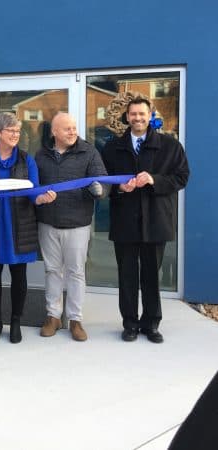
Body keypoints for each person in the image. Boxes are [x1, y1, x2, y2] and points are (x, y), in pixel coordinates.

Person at [102, 97, 189, 343]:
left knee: (151, 275)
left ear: (150, 115)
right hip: (125, 222)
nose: (138, 118)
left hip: (156, 221)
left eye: (142, 114)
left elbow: (182, 177)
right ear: (127, 117)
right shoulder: (113, 148)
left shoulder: (170, 146)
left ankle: (151, 324)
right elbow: (104, 181)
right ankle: (129, 324)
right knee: (127, 275)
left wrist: (154, 180)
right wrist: (120, 187)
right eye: (133, 114)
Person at [0, 112, 55, 344]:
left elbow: (34, 191)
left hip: (20, 225)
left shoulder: (26, 160)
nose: (15, 135)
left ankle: (15, 321)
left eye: (18, 131)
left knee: (19, 276)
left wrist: (42, 199)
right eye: (11, 130)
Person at [35, 112, 108, 341]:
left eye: (74, 127)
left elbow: (103, 181)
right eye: (67, 128)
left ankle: (75, 319)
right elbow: (34, 186)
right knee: (52, 271)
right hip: (48, 223)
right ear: (54, 132)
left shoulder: (89, 152)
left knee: (76, 273)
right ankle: (53, 316)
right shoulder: (41, 155)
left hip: (77, 224)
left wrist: (100, 191)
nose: (73, 131)